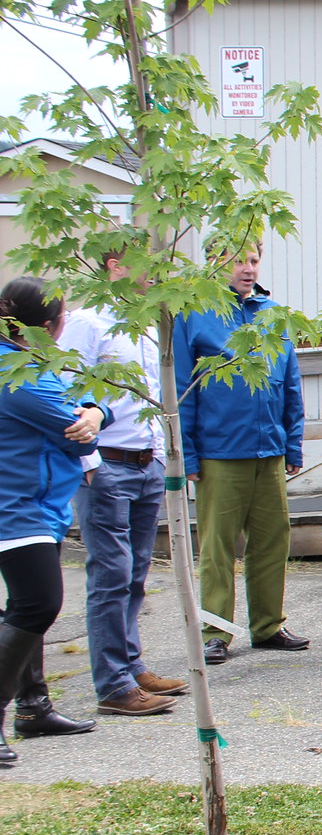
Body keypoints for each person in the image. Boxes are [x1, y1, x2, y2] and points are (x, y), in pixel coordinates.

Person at [54, 250, 186, 722]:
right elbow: (65, 393)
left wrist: (161, 454)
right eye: (141, 263)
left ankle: (131, 666)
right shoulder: (90, 323)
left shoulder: (148, 326)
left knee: (134, 575)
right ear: (114, 266)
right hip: (107, 465)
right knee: (110, 576)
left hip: (144, 463)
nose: (153, 272)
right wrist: (90, 463)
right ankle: (112, 684)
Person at [173, 236, 307, 664]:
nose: (247, 268)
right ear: (214, 262)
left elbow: (290, 383)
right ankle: (216, 631)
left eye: (253, 260)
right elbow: (183, 389)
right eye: (237, 260)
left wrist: (293, 443)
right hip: (219, 452)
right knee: (217, 546)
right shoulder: (195, 316)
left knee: (272, 540)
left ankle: (268, 625)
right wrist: (188, 455)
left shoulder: (273, 316)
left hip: (268, 450)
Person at [0, 277, 105, 768]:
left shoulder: (24, 362)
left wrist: (96, 410)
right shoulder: (18, 371)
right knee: (37, 604)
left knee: (25, 606)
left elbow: (82, 409)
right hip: (18, 507)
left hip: (34, 503)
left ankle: (34, 706)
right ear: (50, 326)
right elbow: (77, 434)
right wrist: (91, 420)